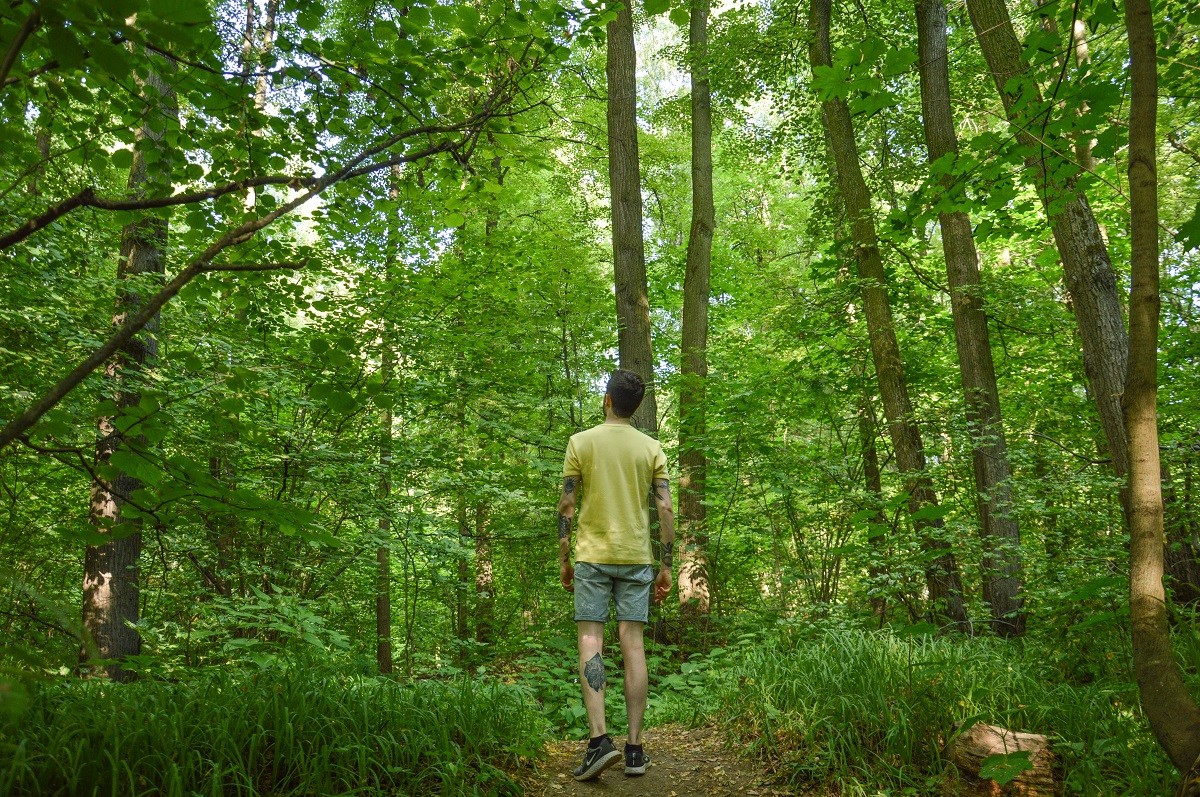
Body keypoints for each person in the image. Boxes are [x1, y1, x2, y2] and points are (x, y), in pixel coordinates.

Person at [556, 369, 675, 781]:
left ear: (607, 399)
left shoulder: (580, 442)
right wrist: (666, 565)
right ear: (636, 407)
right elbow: (664, 509)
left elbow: (568, 505)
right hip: (637, 557)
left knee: (591, 639)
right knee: (634, 646)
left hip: (592, 555)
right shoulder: (651, 448)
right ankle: (636, 750)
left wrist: (564, 558)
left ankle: (597, 741)